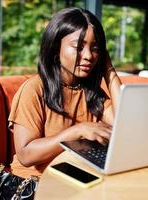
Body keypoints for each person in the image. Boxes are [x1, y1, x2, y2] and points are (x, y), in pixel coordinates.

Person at [8, 7, 121, 178]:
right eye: (78, 47)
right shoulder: (34, 89)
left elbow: (124, 125)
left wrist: (108, 70)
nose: (89, 56)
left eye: (96, 48)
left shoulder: (93, 94)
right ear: (55, 48)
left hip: (74, 179)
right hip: (32, 183)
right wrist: (78, 131)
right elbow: (25, 155)